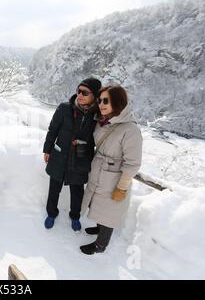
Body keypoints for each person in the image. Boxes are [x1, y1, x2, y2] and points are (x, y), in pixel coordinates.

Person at [80, 85, 142, 255]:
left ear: (118, 101)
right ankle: (100, 228)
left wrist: (121, 187)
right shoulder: (103, 121)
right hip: (99, 169)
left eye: (106, 100)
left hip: (115, 177)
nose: (101, 104)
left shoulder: (131, 130)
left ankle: (101, 245)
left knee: (110, 210)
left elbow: (133, 163)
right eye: (100, 100)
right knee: (99, 202)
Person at [42, 78, 101, 231]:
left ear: (94, 96)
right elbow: (53, 130)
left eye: (85, 92)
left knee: (77, 191)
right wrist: (47, 149)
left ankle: (75, 216)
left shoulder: (97, 115)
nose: (80, 95)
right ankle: (51, 213)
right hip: (60, 156)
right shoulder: (64, 108)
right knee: (54, 187)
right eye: (78, 91)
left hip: (81, 159)